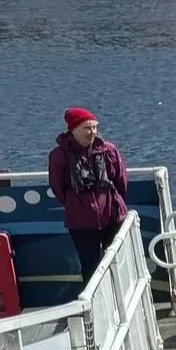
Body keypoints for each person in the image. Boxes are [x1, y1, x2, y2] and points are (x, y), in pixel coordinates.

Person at [47, 107, 129, 284]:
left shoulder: (108, 150)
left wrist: (114, 202)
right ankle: (94, 300)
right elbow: (57, 186)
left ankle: (120, 295)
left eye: (94, 127)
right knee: (90, 266)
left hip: (112, 215)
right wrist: (76, 204)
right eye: (87, 128)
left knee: (118, 260)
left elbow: (120, 180)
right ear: (73, 130)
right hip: (81, 222)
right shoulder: (58, 156)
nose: (92, 132)